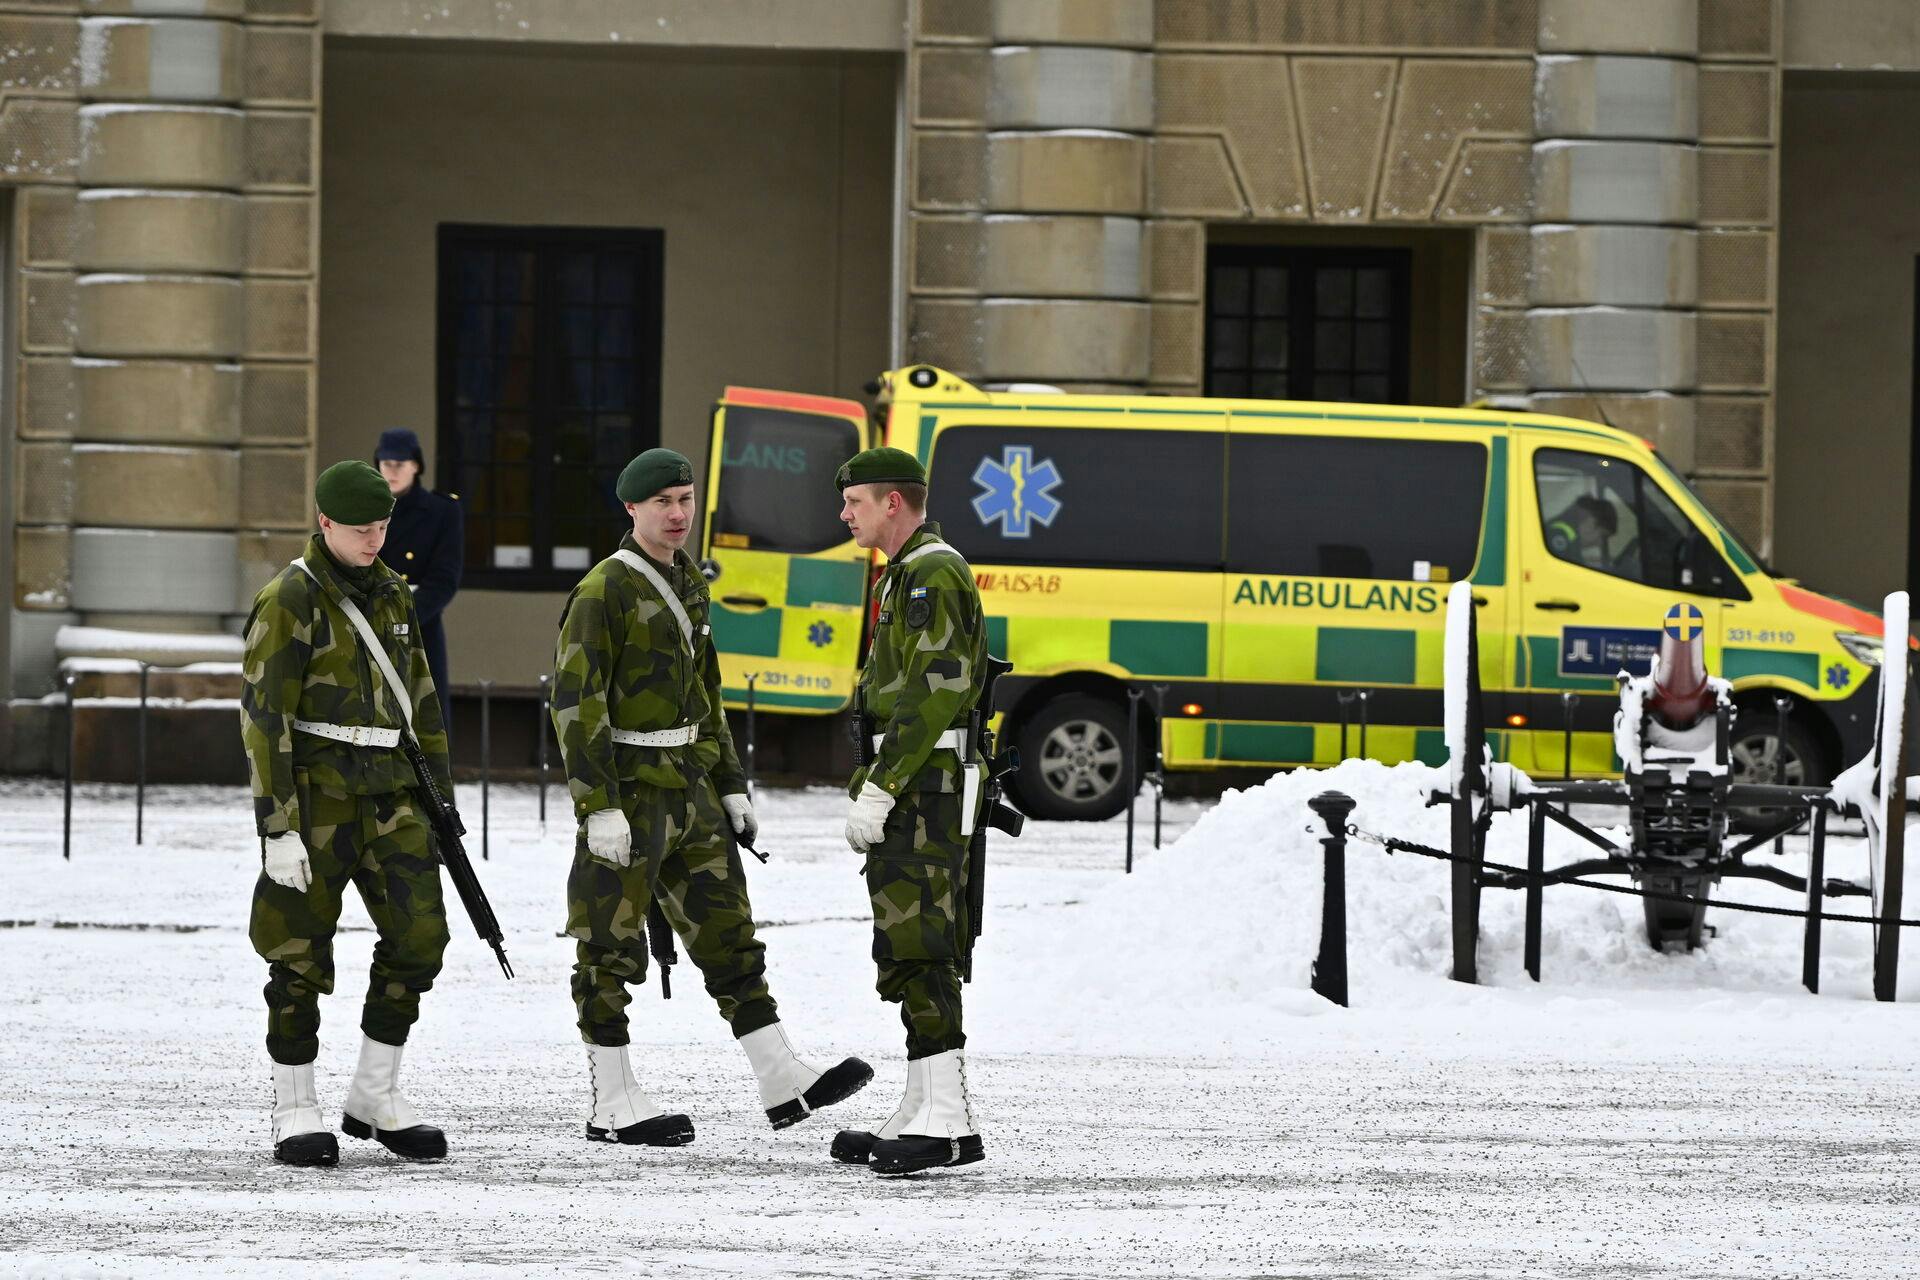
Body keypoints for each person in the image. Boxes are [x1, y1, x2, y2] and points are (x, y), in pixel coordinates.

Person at [551, 447, 871, 1147]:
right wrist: (597, 804)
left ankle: (780, 1074)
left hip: (688, 787)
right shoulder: (605, 591)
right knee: (608, 947)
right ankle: (612, 1098)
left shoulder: (689, 581)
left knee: (729, 935)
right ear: (630, 508)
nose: (677, 515)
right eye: (663, 502)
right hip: (629, 790)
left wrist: (729, 785)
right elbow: (577, 705)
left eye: (686, 500)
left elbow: (708, 695)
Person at [240, 460, 456, 1168]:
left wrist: (439, 804)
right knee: (297, 952)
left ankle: (375, 1094)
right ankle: (295, 1106)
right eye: (361, 529)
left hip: (392, 795)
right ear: (325, 523)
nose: (375, 540)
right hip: (317, 795)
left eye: (383, 526)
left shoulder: (394, 593)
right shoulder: (290, 600)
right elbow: (263, 719)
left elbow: (421, 700)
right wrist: (277, 825)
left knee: (422, 937)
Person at [828, 446, 990, 1176]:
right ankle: (922, 1106)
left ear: (892, 502)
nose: (845, 513)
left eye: (854, 501)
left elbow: (937, 689)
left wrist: (884, 784)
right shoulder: (909, 573)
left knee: (925, 946)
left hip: (923, 789)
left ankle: (949, 1120)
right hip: (912, 785)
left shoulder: (932, 571)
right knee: (906, 948)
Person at [373, 428, 463, 734]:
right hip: (367, 621)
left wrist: (402, 614)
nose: (392, 470)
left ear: (416, 466)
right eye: (386, 463)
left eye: (400, 463)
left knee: (425, 718)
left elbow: (444, 579)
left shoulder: (442, 511)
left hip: (418, 626)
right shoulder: (366, 510)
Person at [1545, 494, 1618, 570]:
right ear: (1591, 523)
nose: (1599, 544)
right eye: (1602, 536)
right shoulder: (1560, 534)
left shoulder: (1564, 534)